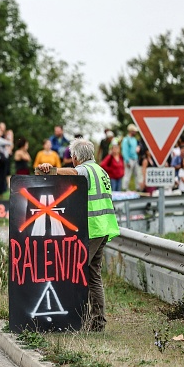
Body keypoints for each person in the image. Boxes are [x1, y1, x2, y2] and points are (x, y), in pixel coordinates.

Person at [37, 138, 120, 332]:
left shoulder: (86, 170)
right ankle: (97, 323)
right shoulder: (101, 170)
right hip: (103, 228)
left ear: (75, 157)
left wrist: (52, 170)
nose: (71, 160)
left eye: (71, 157)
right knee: (93, 276)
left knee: (74, 272)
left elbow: (74, 173)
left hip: (92, 229)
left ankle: (70, 320)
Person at [121, 124, 140, 191]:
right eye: (134, 131)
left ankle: (138, 188)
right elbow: (125, 151)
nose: (135, 132)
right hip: (129, 159)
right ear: (131, 131)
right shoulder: (126, 140)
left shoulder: (134, 140)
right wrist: (127, 161)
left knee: (137, 174)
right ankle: (125, 188)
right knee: (127, 174)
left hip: (135, 159)